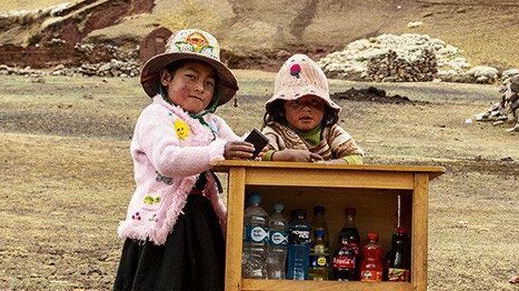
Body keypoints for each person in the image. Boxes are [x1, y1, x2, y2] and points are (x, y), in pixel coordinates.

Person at [114, 28, 259, 291]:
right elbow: (167, 160)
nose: (199, 88)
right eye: (191, 77)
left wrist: (275, 154)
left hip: (201, 219)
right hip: (163, 223)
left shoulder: (213, 123)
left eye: (208, 83)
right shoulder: (156, 115)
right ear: (167, 77)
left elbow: (240, 148)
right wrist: (219, 152)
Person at [261, 54, 363, 163]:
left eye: (314, 102)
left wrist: (331, 165)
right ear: (281, 108)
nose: (306, 109)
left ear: (325, 107)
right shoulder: (275, 132)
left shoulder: (330, 131)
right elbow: (257, 155)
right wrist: (282, 156)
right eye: (296, 102)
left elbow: (355, 157)